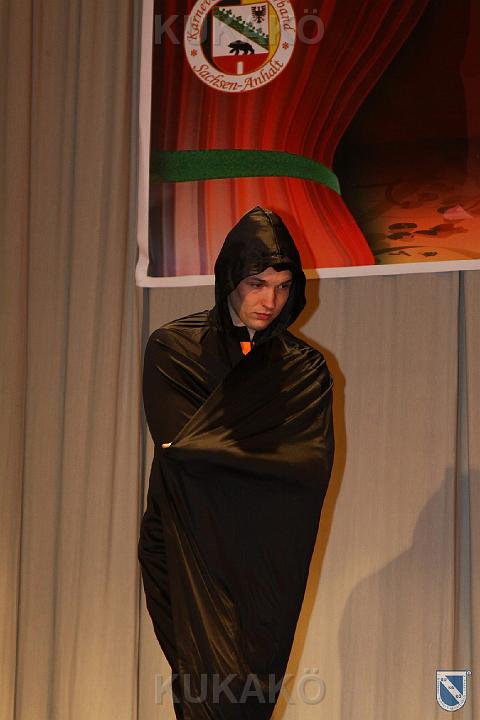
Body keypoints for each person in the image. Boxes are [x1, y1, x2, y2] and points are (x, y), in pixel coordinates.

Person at [139, 206, 334, 720]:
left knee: (247, 698)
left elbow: (309, 465)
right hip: (188, 546)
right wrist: (261, 457)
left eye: (284, 287)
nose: (271, 301)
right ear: (230, 278)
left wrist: (221, 450)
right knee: (205, 694)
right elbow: (179, 449)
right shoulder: (174, 349)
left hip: (266, 560)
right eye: (257, 283)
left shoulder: (305, 369)